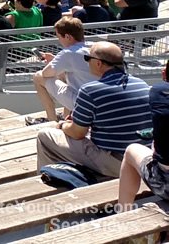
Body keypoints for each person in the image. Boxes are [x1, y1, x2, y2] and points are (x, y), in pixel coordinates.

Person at [36, 41, 150, 179]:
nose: (87, 62)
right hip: (142, 160)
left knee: (45, 135)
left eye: (87, 58)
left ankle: (53, 179)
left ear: (98, 63)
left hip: (116, 162)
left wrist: (62, 125)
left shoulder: (90, 90)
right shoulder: (142, 85)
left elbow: (77, 133)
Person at [116, 61, 169, 212]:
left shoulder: (159, 91)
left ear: (164, 72)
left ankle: (123, 213)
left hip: (166, 184)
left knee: (131, 150)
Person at [33, 17, 89, 123]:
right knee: (66, 77)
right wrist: (55, 61)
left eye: (59, 37)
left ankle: (52, 120)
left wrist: (51, 63)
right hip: (100, 98)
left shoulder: (68, 53)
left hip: (82, 102)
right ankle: (66, 117)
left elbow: (46, 74)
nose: (59, 40)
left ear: (67, 37)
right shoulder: (95, 48)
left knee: (38, 76)